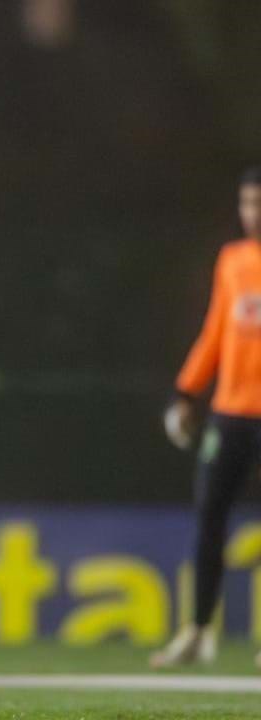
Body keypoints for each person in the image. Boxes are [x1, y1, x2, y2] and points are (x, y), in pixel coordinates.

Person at [153, 166, 261, 669]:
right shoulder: (234, 261)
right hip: (231, 414)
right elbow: (216, 331)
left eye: (258, 205)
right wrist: (185, 392)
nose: (251, 214)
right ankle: (198, 631)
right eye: (246, 204)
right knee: (209, 518)